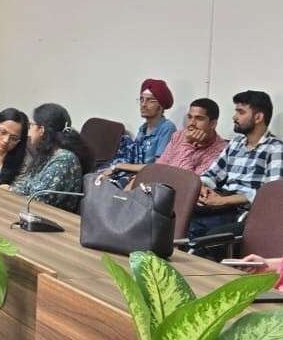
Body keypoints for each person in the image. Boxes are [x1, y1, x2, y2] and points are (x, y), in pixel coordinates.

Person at [189, 90, 283, 244]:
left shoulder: (275, 148)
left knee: (206, 236)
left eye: (240, 112)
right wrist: (203, 187)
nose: (234, 117)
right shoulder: (235, 143)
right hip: (221, 203)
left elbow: (270, 196)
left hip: (243, 212)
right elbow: (211, 174)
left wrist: (224, 201)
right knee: (175, 216)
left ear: (258, 117)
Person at [116, 98, 227, 181]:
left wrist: (188, 145)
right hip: (159, 184)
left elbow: (187, 182)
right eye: (190, 117)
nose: (191, 123)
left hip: (179, 196)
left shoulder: (220, 150)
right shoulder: (179, 135)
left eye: (199, 118)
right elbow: (160, 166)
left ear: (213, 124)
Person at [13, 103, 86, 212]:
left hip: (48, 217)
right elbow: (27, 186)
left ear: (41, 130)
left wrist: (10, 191)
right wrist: (9, 189)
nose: (28, 132)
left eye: (31, 125)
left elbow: (38, 200)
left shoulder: (64, 160)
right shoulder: (47, 155)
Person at [103, 80, 176, 180]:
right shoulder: (143, 129)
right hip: (132, 175)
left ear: (161, 105)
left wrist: (119, 166)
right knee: (93, 178)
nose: (143, 104)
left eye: (150, 100)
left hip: (148, 179)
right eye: (141, 99)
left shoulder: (167, 128)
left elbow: (158, 167)